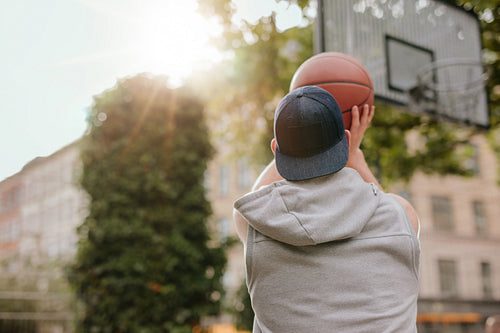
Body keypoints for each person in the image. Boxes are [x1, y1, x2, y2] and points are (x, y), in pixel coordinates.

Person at [233, 86, 420, 332]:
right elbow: (382, 201)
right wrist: (354, 155)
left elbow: (255, 198)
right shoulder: (403, 214)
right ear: (347, 139)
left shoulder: (252, 223)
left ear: (275, 150)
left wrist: (294, 136)